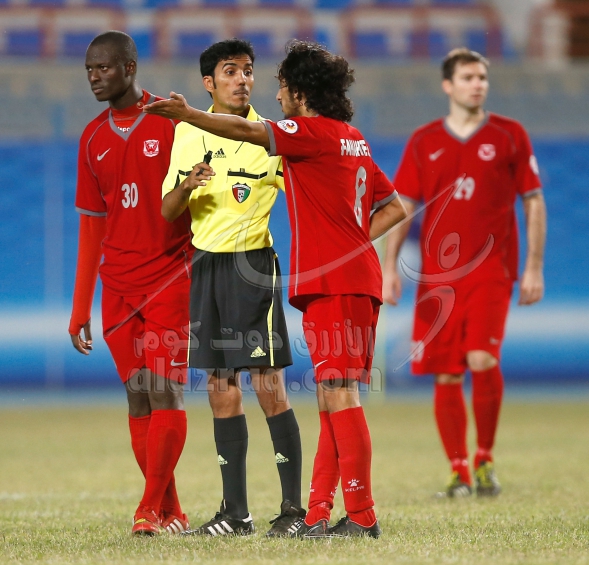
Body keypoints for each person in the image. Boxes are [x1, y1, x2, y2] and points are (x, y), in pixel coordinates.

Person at [145, 39, 407, 538]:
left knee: (336, 393)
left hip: (317, 279)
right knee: (330, 395)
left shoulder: (305, 133)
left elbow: (249, 130)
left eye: (279, 84)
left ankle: (359, 515)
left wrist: (187, 114)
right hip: (335, 278)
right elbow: (392, 206)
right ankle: (316, 512)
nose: (272, 91)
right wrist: (352, 245)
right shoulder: (351, 137)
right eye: (235, 72)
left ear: (301, 92)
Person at [382, 48, 547, 497]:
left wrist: (533, 266)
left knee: (481, 359)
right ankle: (458, 471)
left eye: (482, 78)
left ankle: (485, 459)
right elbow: (404, 206)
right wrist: (389, 267)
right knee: (447, 372)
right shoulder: (424, 140)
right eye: (468, 78)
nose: (478, 85)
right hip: (438, 277)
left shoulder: (510, 134)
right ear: (448, 85)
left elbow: (533, 199)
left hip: (492, 269)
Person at [160, 39, 303, 538]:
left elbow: (302, 195)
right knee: (220, 388)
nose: (242, 79)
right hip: (206, 268)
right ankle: (235, 514)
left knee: (268, 384)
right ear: (209, 82)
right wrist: (187, 185)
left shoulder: (270, 136)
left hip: (253, 268)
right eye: (230, 71)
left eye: (247, 70)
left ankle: (293, 511)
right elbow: (168, 210)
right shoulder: (187, 132)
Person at [68, 31, 193, 535]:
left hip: (170, 278)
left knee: (165, 391)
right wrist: (80, 307)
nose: (95, 77)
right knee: (139, 397)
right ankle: (171, 510)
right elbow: (91, 227)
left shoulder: (172, 121)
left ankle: (146, 510)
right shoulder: (92, 138)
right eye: (89, 70)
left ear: (130, 67)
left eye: (104, 67)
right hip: (117, 287)